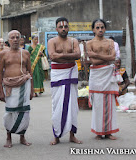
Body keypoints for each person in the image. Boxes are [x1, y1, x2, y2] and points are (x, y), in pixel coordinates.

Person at [47, 17, 82, 145]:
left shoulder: (73, 41)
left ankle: (72, 135)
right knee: (57, 105)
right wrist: (69, 56)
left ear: (68, 28)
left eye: (65, 26)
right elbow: (52, 56)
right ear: (56, 28)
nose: (63, 29)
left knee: (73, 105)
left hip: (71, 73)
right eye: (61, 27)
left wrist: (60, 56)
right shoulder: (52, 41)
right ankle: (56, 135)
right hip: (58, 74)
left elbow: (78, 55)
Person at [0, 30, 33, 148]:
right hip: (9, 86)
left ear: (21, 39)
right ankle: (8, 137)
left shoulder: (26, 53)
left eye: (17, 37)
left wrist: (32, 90)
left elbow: (30, 71)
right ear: (8, 40)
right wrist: (0, 91)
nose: (15, 39)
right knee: (10, 112)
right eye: (12, 37)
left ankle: (22, 137)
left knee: (24, 112)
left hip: (24, 85)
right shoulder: (3, 54)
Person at [87, 19, 120, 140]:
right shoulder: (89, 43)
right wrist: (106, 58)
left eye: (102, 27)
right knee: (98, 103)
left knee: (110, 103)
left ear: (105, 28)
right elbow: (93, 61)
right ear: (93, 29)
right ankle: (99, 131)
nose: (100, 30)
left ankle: (109, 131)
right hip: (97, 74)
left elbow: (113, 57)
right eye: (97, 27)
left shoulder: (110, 42)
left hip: (108, 74)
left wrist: (97, 55)